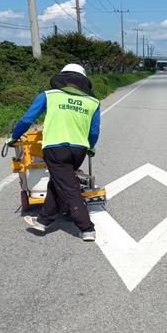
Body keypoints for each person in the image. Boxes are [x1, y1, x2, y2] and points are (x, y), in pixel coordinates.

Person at [8, 63, 101, 242]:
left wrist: (14, 137)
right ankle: (44, 221)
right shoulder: (93, 102)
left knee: (68, 187)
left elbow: (28, 119)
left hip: (55, 149)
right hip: (79, 151)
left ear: (61, 79)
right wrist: (91, 146)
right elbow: (94, 131)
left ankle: (86, 227)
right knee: (59, 181)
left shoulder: (48, 96)